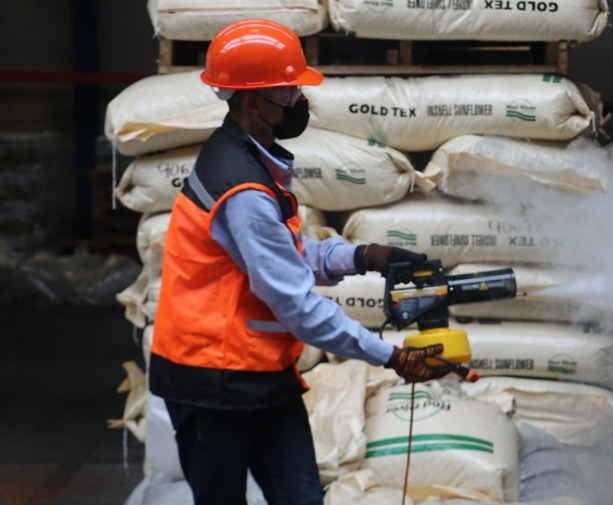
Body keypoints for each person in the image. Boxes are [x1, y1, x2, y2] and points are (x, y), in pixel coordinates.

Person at [148, 18, 450, 505]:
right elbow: (294, 303)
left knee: (303, 498)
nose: (299, 101)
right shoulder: (244, 188)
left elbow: (281, 255)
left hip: (260, 374)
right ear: (254, 103)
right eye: (289, 92)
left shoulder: (250, 159)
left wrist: (363, 255)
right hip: (211, 380)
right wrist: (390, 356)